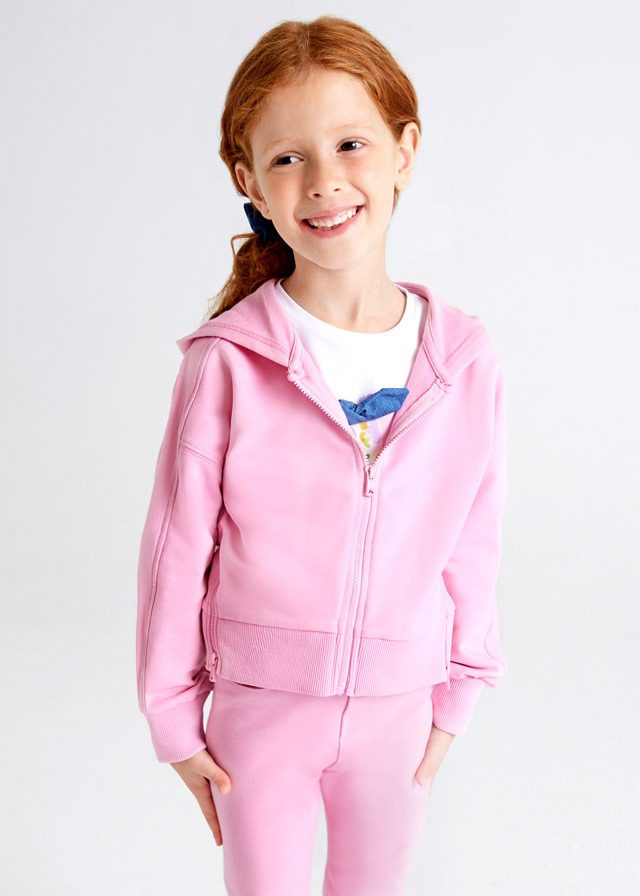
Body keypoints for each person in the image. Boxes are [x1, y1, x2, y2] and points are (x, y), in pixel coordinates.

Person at [135, 15, 509, 896]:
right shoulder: (229, 361)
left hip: (399, 711)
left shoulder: (463, 358)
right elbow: (175, 549)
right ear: (250, 182)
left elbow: (475, 534)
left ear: (404, 152)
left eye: (350, 144)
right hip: (261, 713)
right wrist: (172, 719)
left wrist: (460, 691)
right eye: (287, 157)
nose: (324, 181)